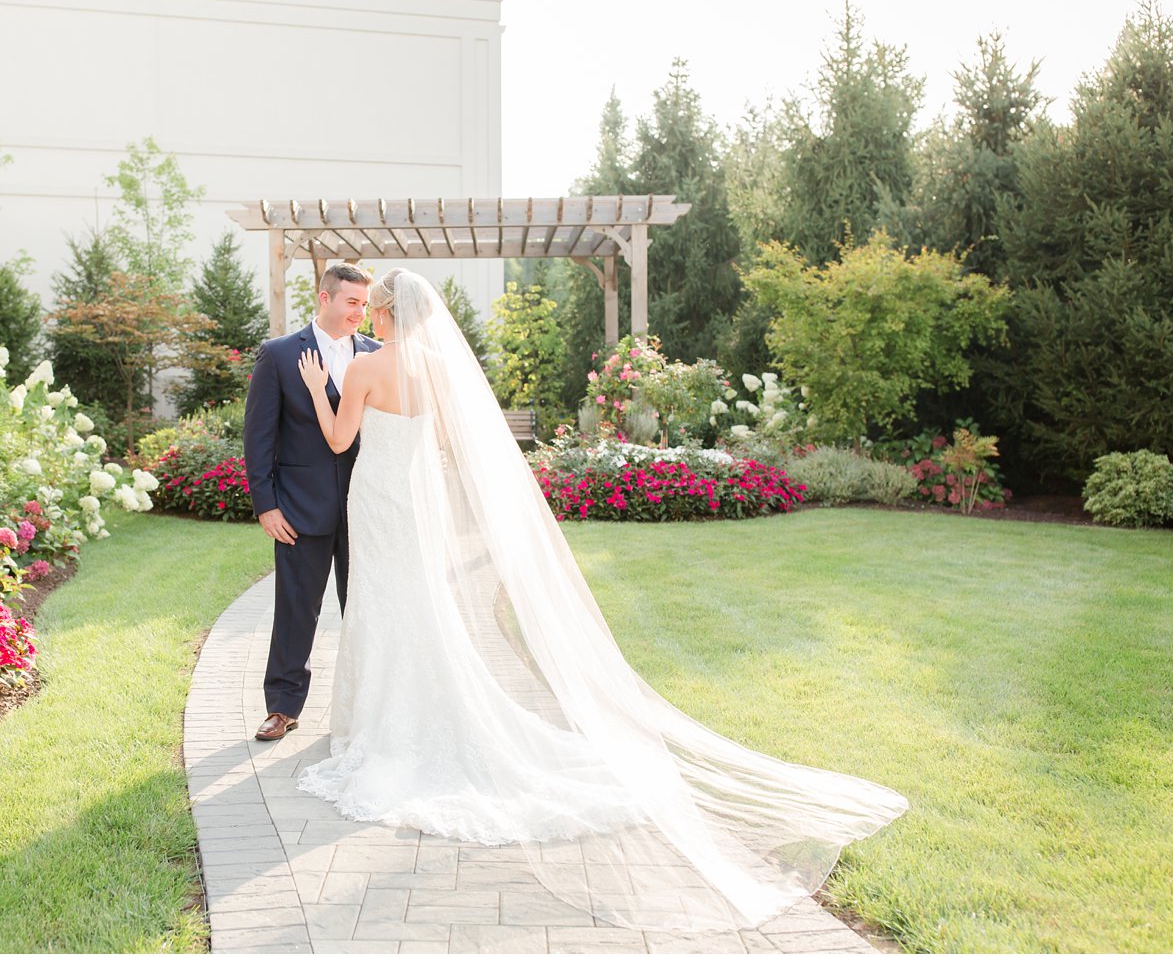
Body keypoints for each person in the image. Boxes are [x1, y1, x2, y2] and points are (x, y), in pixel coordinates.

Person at [288, 266, 909, 934]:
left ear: (383, 314)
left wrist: (317, 392)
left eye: (371, 312)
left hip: (379, 499)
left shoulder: (364, 369)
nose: (369, 320)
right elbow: (444, 443)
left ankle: (386, 723)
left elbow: (339, 440)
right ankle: (418, 714)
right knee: (423, 611)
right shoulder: (440, 366)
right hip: (415, 501)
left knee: (386, 609)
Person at [242, 263, 381, 742]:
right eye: (352, 303)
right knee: (296, 609)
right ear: (325, 298)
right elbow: (258, 436)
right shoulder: (280, 355)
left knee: (364, 607)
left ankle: (370, 703)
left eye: (365, 304)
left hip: (367, 506)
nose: (360, 313)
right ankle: (282, 707)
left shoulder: (377, 354)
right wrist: (266, 505)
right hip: (300, 506)